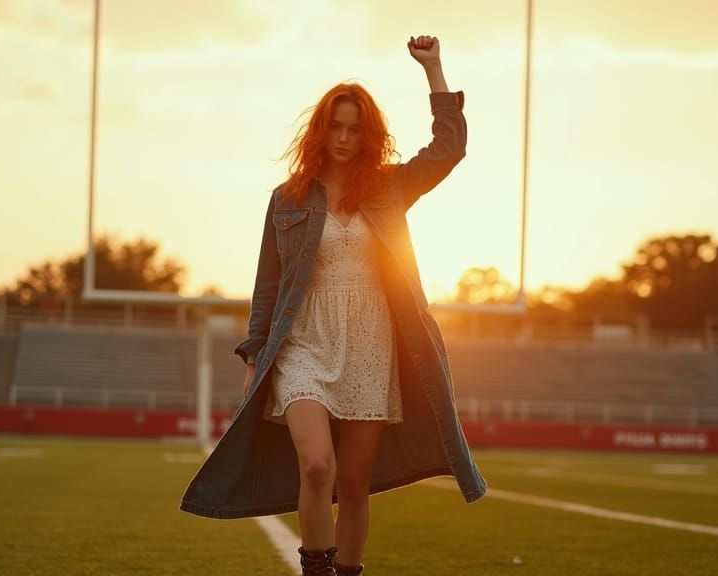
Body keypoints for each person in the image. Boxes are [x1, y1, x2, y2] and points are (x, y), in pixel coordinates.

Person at [178, 34, 488, 576]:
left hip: (369, 346)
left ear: (368, 135)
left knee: (354, 483)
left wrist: (434, 70)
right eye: (335, 126)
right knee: (317, 466)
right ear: (321, 131)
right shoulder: (288, 198)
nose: (344, 138)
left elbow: (450, 148)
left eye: (354, 129)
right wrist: (255, 359)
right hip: (304, 345)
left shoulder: (390, 187)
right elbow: (268, 286)